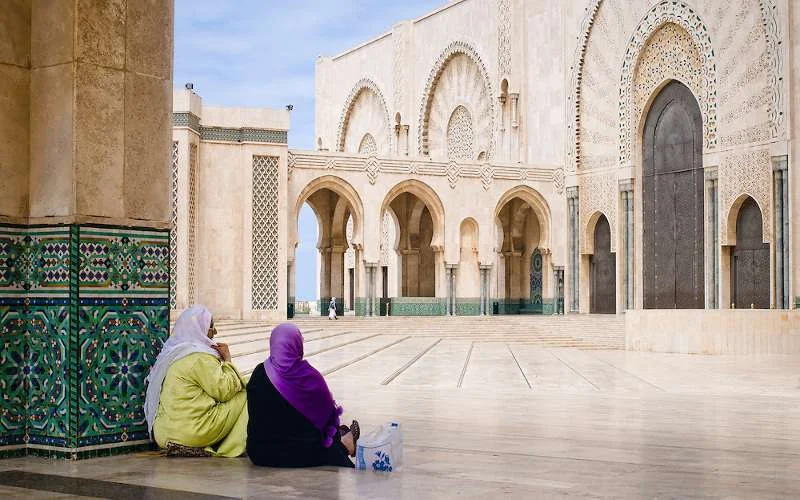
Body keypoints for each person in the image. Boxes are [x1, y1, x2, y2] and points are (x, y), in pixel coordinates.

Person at [246, 323, 359, 468]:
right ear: (297, 344)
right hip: (299, 455)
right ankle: (346, 443)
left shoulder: (259, 373)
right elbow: (328, 420)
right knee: (328, 444)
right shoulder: (309, 377)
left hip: (260, 454)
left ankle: (345, 442)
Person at [145, 305, 248, 457]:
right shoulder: (200, 357)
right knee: (248, 392)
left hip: (163, 435)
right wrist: (227, 360)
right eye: (211, 327)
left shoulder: (172, 354)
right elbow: (224, 391)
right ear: (201, 329)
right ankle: (229, 447)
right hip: (190, 433)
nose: (215, 332)